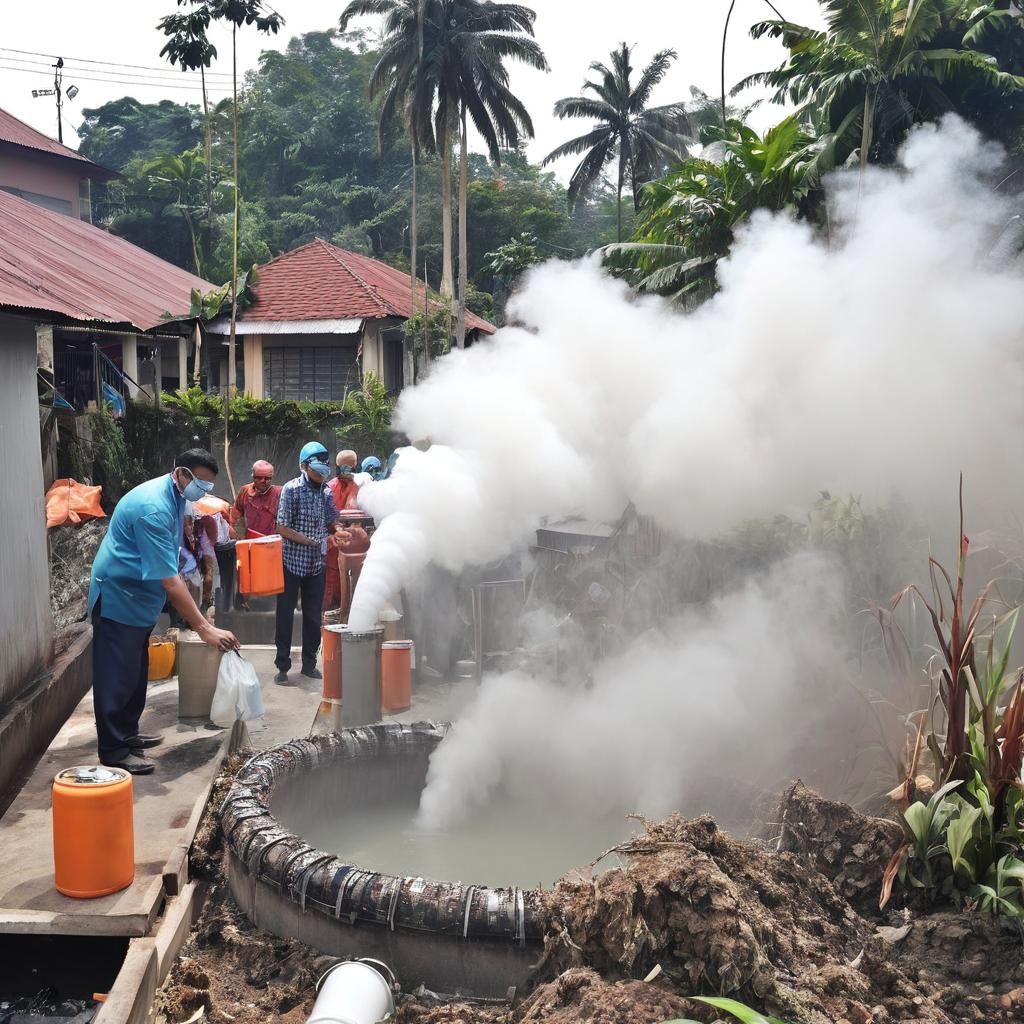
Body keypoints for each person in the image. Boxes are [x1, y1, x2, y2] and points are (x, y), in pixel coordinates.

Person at [88, 449, 239, 775]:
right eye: (200, 483)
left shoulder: (176, 497)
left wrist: (192, 574)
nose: (203, 491)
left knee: (135, 672)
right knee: (116, 676)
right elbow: (170, 581)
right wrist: (203, 627)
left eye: (208, 486)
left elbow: (175, 554)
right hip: (118, 594)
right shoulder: (153, 508)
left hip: (139, 597)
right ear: (181, 473)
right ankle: (113, 750)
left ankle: (127, 734)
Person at [274, 442, 349, 684]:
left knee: (314, 617)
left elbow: (332, 518)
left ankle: (309, 664)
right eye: (316, 471)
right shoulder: (291, 490)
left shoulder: (326, 491)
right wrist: (309, 541)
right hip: (291, 562)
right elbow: (282, 527)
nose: (320, 476)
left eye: (323, 472)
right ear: (304, 466)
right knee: (284, 615)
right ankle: (283, 666)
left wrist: (338, 530)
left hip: (316, 565)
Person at [323, 451, 361, 611]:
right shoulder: (328, 489)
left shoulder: (359, 488)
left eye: (350, 469)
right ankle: (324, 628)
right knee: (327, 594)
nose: (347, 474)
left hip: (352, 549)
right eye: (344, 469)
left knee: (348, 593)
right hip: (331, 549)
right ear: (337, 469)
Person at [228, 460, 281, 539]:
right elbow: (235, 516)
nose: (263, 481)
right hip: (250, 541)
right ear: (253, 476)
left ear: (271, 477)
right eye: (259, 478)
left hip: (272, 541)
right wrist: (238, 538)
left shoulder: (279, 493)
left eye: (267, 478)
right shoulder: (245, 491)